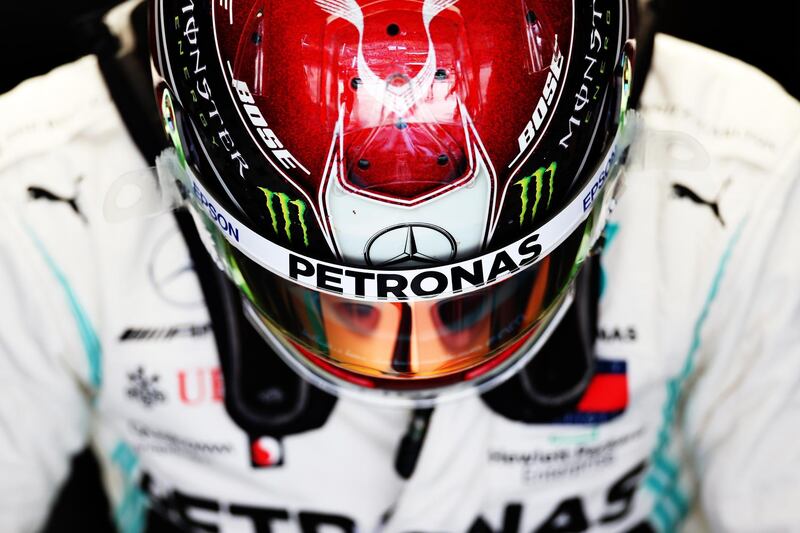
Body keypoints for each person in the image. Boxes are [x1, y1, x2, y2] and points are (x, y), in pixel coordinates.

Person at [0, 0, 798, 532]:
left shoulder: (748, 172)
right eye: (349, 305)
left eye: (479, 295)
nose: (412, 349)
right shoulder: (37, 187)